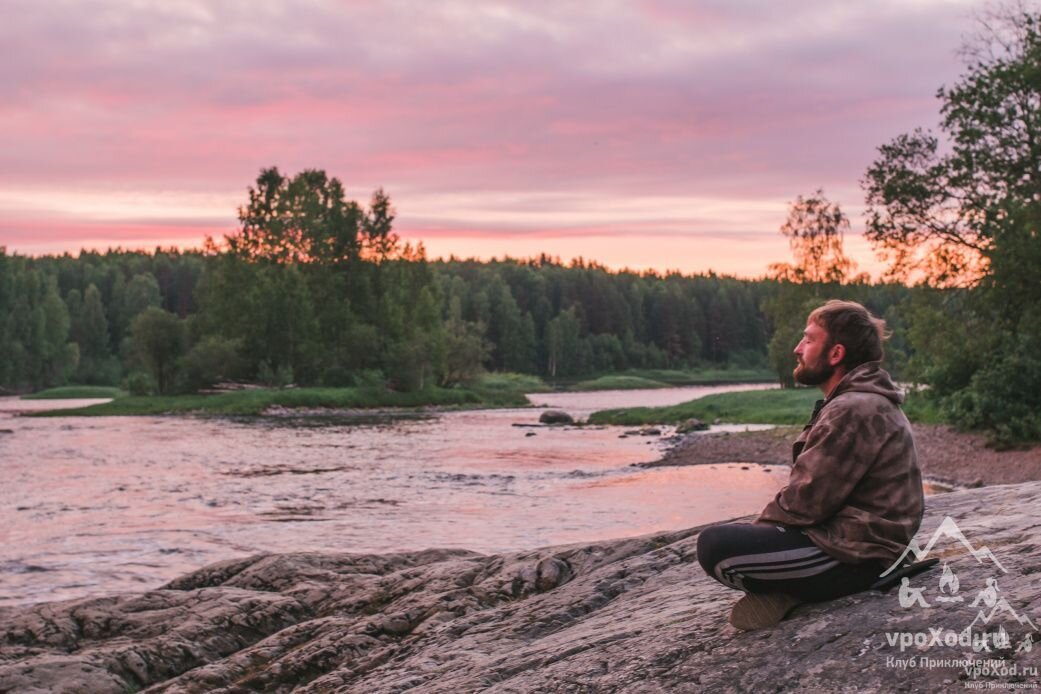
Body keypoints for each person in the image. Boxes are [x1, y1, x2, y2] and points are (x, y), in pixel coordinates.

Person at [696, 300, 924, 630]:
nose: (797, 348)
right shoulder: (858, 401)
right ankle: (797, 588)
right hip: (860, 543)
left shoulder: (853, 408)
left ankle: (808, 588)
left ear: (836, 354)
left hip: (862, 554)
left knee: (716, 547)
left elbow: (806, 502)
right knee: (749, 539)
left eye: (808, 339)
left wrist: (762, 529)